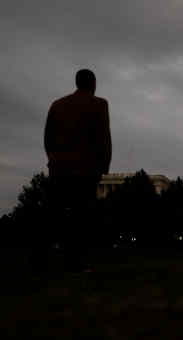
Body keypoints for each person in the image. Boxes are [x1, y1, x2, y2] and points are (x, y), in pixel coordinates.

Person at [43, 69, 111, 272]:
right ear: (93, 84)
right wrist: (103, 168)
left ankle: (39, 259)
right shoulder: (99, 104)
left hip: (59, 168)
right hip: (85, 169)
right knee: (79, 217)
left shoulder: (57, 104)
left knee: (52, 214)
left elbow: (48, 138)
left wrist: (53, 160)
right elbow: (103, 138)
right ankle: (73, 262)